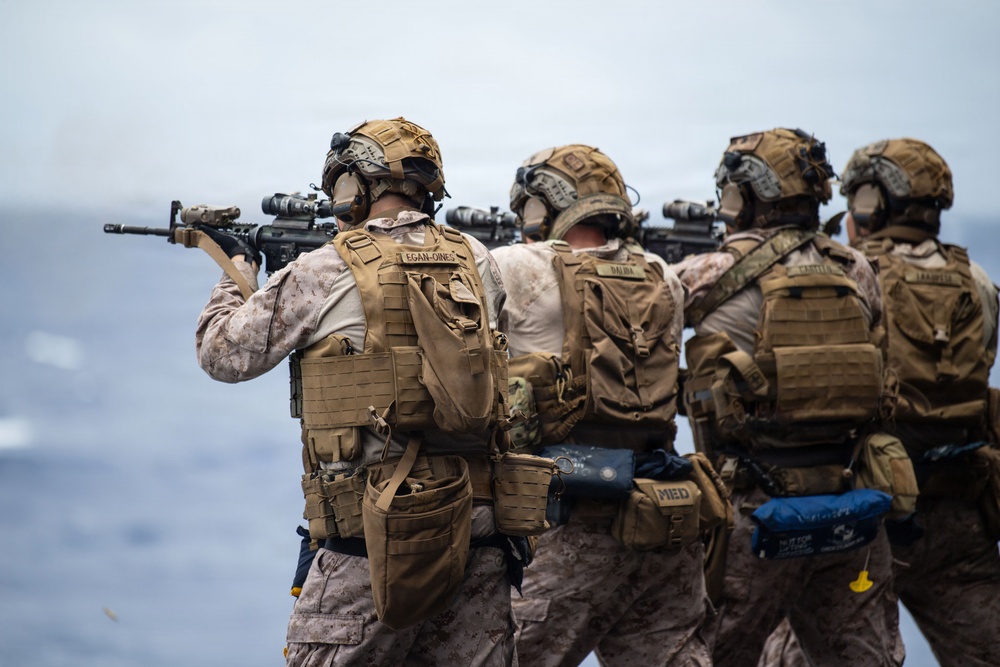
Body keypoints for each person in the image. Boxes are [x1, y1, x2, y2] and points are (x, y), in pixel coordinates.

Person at [195, 117, 519, 666]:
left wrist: (237, 271)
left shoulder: (323, 267)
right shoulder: (478, 259)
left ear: (355, 184)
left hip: (371, 534)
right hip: (478, 529)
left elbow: (222, 355)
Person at [671, 128, 902, 667]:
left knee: (709, 654)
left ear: (745, 193)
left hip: (754, 508)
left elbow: (645, 322)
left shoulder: (711, 272)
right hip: (849, 502)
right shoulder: (856, 268)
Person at [492, 144, 713, 667]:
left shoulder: (513, 267)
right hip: (664, 511)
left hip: (567, 520)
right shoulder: (662, 274)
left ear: (540, 206)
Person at [840, 138, 1000, 667]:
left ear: (872, 201)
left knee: (823, 648)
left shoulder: (852, 274)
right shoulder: (977, 282)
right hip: (958, 505)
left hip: (871, 513)